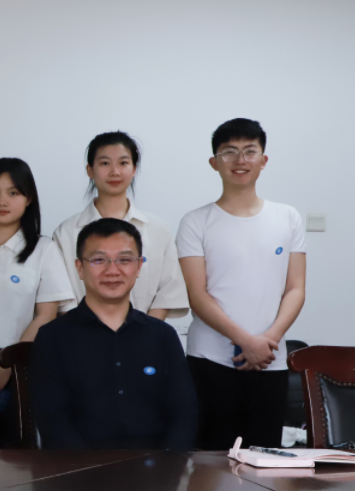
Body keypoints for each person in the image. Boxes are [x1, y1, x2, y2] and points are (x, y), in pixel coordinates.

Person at [177, 118, 306, 450]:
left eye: (250, 151)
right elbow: (197, 294)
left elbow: (295, 288)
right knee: (211, 460)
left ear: (263, 160)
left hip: (270, 359)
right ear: (214, 162)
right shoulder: (195, 221)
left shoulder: (288, 217)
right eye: (229, 152)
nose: (240, 160)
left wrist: (268, 340)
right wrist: (245, 340)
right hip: (210, 360)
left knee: (264, 459)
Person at [32, 218, 197, 450]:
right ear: (79, 268)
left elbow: (184, 412)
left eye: (124, 260)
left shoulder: (163, 336)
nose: (112, 270)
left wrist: (169, 463)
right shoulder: (52, 337)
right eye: (98, 260)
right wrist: (89, 468)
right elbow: (52, 420)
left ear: (138, 267)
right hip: (78, 468)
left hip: (157, 466)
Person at [0, 158, 74, 448]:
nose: (2, 201)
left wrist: (7, 367)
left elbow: (46, 315)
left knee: (15, 455)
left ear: (29, 198)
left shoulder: (44, 249)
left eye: (13, 193)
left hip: (21, 364)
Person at [53, 132, 188, 319]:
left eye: (123, 163)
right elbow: (62, 297)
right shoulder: (66, 232)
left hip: (144, 333)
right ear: (90, 170)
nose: (115, 172)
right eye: (105, 163)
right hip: (81, 333)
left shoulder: (157, 229)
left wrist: (143, 331)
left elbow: (168, 292)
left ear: (134, 169)